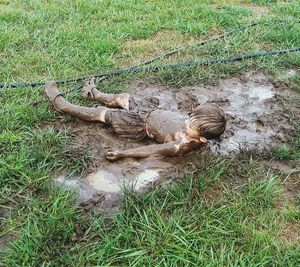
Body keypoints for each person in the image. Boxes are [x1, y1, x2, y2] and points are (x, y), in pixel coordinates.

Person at [44, 77, 226, 161]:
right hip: (148, 111)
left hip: (139, 124)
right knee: (124, 98)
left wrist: (123, 154)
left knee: (104, 113)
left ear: (202, 138)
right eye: (189, 118)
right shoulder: (200, 127)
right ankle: (95, 93)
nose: (186, 123)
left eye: (190, 126)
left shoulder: (182, 145)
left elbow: (154, 150)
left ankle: (62, 104)